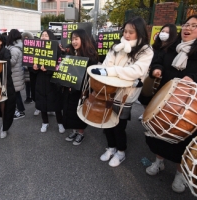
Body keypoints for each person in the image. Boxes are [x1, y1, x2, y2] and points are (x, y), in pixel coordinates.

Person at [91, 16, 153, 166]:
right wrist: (114, 72)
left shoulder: (145, 50)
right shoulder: (117, 46)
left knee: (119, 125)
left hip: (126, 94)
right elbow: (107, 64)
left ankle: (121, 152)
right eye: (125, 31)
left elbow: (136, 71)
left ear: (140, 33)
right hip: (109, 90)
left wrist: (112, 72)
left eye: (131, 32)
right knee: (106, 121)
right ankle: (111, 147)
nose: (126, 35)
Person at [145, 15, 197, 193]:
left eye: (194, 26)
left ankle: (179, 173)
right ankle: (158, 162)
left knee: (182, 142)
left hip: (188, 109)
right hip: (165, 102)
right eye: (186, 24)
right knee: (159, 136)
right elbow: (157, 60)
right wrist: (157, 69)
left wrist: (193, 78)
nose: (188, 28)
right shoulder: (172, 48)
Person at [63, 29, 99, 145]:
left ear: (83, 40)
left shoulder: (91, 56)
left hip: (82, 91)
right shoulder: (71, 54)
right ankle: (74, 131)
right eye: (72, 39)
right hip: (70, 89)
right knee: (70, 110)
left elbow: (90, 77)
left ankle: (81, 133)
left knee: (80, 111)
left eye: (76, 39)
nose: (74, 42)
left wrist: (76, 86)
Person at [137, 24, 178, 120]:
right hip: (150, 75)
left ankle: (153, 115)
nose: (164, 34)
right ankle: (146, 112)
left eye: (167, 32)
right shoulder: (155, 47)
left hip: (163, 78)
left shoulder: (173, 50)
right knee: (144, 96)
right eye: (163, 31)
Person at [32, 30, 64, 133]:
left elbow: (61, 65)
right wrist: (34, 68)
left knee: (56, 102)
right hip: (40, 80)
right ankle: (45, 122)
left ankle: (60, 122)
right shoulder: (36, 49)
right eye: (42, 35)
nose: (44, 37)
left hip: (53, 80)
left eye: (46, 35)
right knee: (42, 102)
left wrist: (49, 70)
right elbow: (30, 65)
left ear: (51, 37)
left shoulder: (57, 49)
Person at [6, 29, 26, 119]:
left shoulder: (14, 49)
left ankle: (20, 111)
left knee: (15, 94)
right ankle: (19, 110)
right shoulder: (19, 46)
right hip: (17, 73)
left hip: (15, 74)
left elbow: (12, 62)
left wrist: (4, 60)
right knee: (16, 94)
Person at [21, 31, 34, 104]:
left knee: (32, 84)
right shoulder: (23, 47)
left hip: (32, 69)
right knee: (27, 85)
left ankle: (32, 97)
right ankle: (28, 97)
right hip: (26, 70)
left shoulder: (33, 47)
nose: (26, 39)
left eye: (27, 38)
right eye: (25, 38)